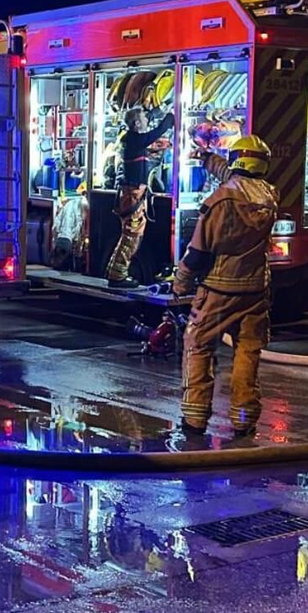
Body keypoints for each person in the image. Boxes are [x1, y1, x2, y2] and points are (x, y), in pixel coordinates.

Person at [172, 135, 277, 436]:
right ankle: (244, 418)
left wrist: (181, 282)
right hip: (256, 289)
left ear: (235, 160)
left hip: (218, 289)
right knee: (247, 352)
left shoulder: (219, 201)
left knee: (198, 346)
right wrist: (206, 158)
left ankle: (194, 418)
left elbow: (199, 250)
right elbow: (236, 177)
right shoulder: (269, 196)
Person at [104, 81, 175, 288]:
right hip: (132, 194)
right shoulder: (133, 139)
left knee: (130, 235)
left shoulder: (132, 139)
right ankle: (118, 276)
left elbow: (150, 136)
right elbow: (154, 134)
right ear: (136, 124)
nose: (147, 121)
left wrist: (158, 111)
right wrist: (170, 118)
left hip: (134, 193)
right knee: (131, 236)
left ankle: (115, 272)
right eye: (144, 119)